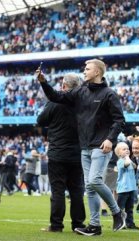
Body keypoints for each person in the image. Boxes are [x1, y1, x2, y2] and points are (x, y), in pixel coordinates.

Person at [37, 59, 126, 236]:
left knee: (94, 181)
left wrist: (110, 139)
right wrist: (43, 82)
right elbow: (56, 96)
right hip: (83, 148)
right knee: (89, 188)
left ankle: (117, 212)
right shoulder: (80, 91)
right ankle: (94, 225)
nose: (84, 71)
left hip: (101, 146)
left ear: (98, 72)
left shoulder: (109, 94)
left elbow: (119, 120)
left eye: (87, 69)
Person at [37, 73, 86, 232]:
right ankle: (78, 224)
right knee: (76, 191)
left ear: (64, 86)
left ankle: (56, 225)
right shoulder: (83, 103)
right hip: (77, 153)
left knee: (57, 190)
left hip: (58, 152)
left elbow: (40, 120)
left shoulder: (54, 102)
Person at [115, 142, 138, 229]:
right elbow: (127, 164)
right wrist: (127, 157)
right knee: (120, 208)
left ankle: (130, 223)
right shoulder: (120, 161)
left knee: (130, 208)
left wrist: (129, 158)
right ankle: (120, 223)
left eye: (127, 149)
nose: (127, 150)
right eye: (124, 149)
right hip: (123, 189)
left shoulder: (129, 160)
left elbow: (135, 166)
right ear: (119, 153)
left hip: (131, 188)